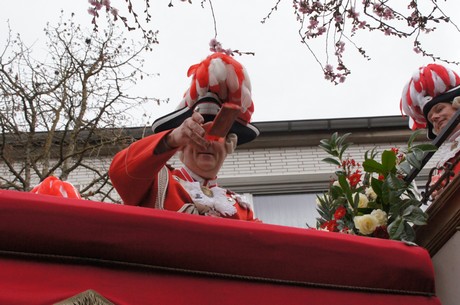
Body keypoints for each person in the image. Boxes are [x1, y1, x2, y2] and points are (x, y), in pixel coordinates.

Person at [109, 52, 260, 221]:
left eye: (216, 133)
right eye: (196, 134)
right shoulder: (157, 184)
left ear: (229, 145)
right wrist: (171, 139)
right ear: (181, 145)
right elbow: (120, 172)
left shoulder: (242, 211)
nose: (206, 142)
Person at [400, 63, 460, 198]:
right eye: (431, 119)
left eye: (439, 109)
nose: (434, 117)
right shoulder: (446, 159)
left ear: (457, 103)